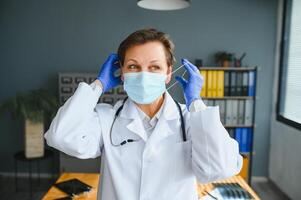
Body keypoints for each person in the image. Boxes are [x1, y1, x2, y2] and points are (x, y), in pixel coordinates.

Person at [44, 28, 242, 200]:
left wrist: (196, 103)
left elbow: (219, 168)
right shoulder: (107, 118)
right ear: (122, 73)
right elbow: (61, 136)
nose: (144, 75)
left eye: (154, 67)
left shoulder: (191, 120)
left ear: (168, 74)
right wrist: (98, 85)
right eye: (133, 66)